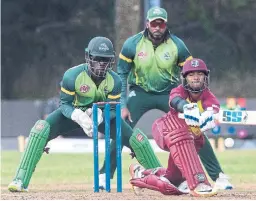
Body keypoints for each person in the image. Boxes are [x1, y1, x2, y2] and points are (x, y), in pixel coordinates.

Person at [7, 36, 160, 192]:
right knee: (40, 129)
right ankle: (20, 179)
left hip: (103, 116)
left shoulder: (115, 81)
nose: (101, 64)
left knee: (138, 140)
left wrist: (99, 116)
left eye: (105, 60)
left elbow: (113, 109)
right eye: (97, 59)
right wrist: (78, 116)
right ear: (88, 57)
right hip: (73, 114)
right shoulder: (72, 76)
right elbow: (65, 104)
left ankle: (162, 179)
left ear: (111, 61)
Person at [108, 6, 233, 190]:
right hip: (139, 92)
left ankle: (218, 175)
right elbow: (121, 74)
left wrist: (196, 105)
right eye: (154, 23)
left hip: (169, 93)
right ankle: (105, 174)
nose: (157, 27)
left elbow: (192, 72)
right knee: (121, 128)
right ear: (147, 24)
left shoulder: (177, 45)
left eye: (161, 23)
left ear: (165, 24)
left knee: (196, 128)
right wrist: (123, 103)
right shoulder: (132, 44)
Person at [129, 58, 224, 197]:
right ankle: (198, 183)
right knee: (183, 132)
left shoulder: (208, 96)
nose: (196, 78)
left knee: (172, 183)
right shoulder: (178, 90)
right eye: (191, 75)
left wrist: (210, 116)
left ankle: (140, 174)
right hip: (165, 128)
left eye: (199, 74)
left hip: (185, 140)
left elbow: (214, 108)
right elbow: (175, 100)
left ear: (205, 77)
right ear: (185, 78)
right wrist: (186, 107)